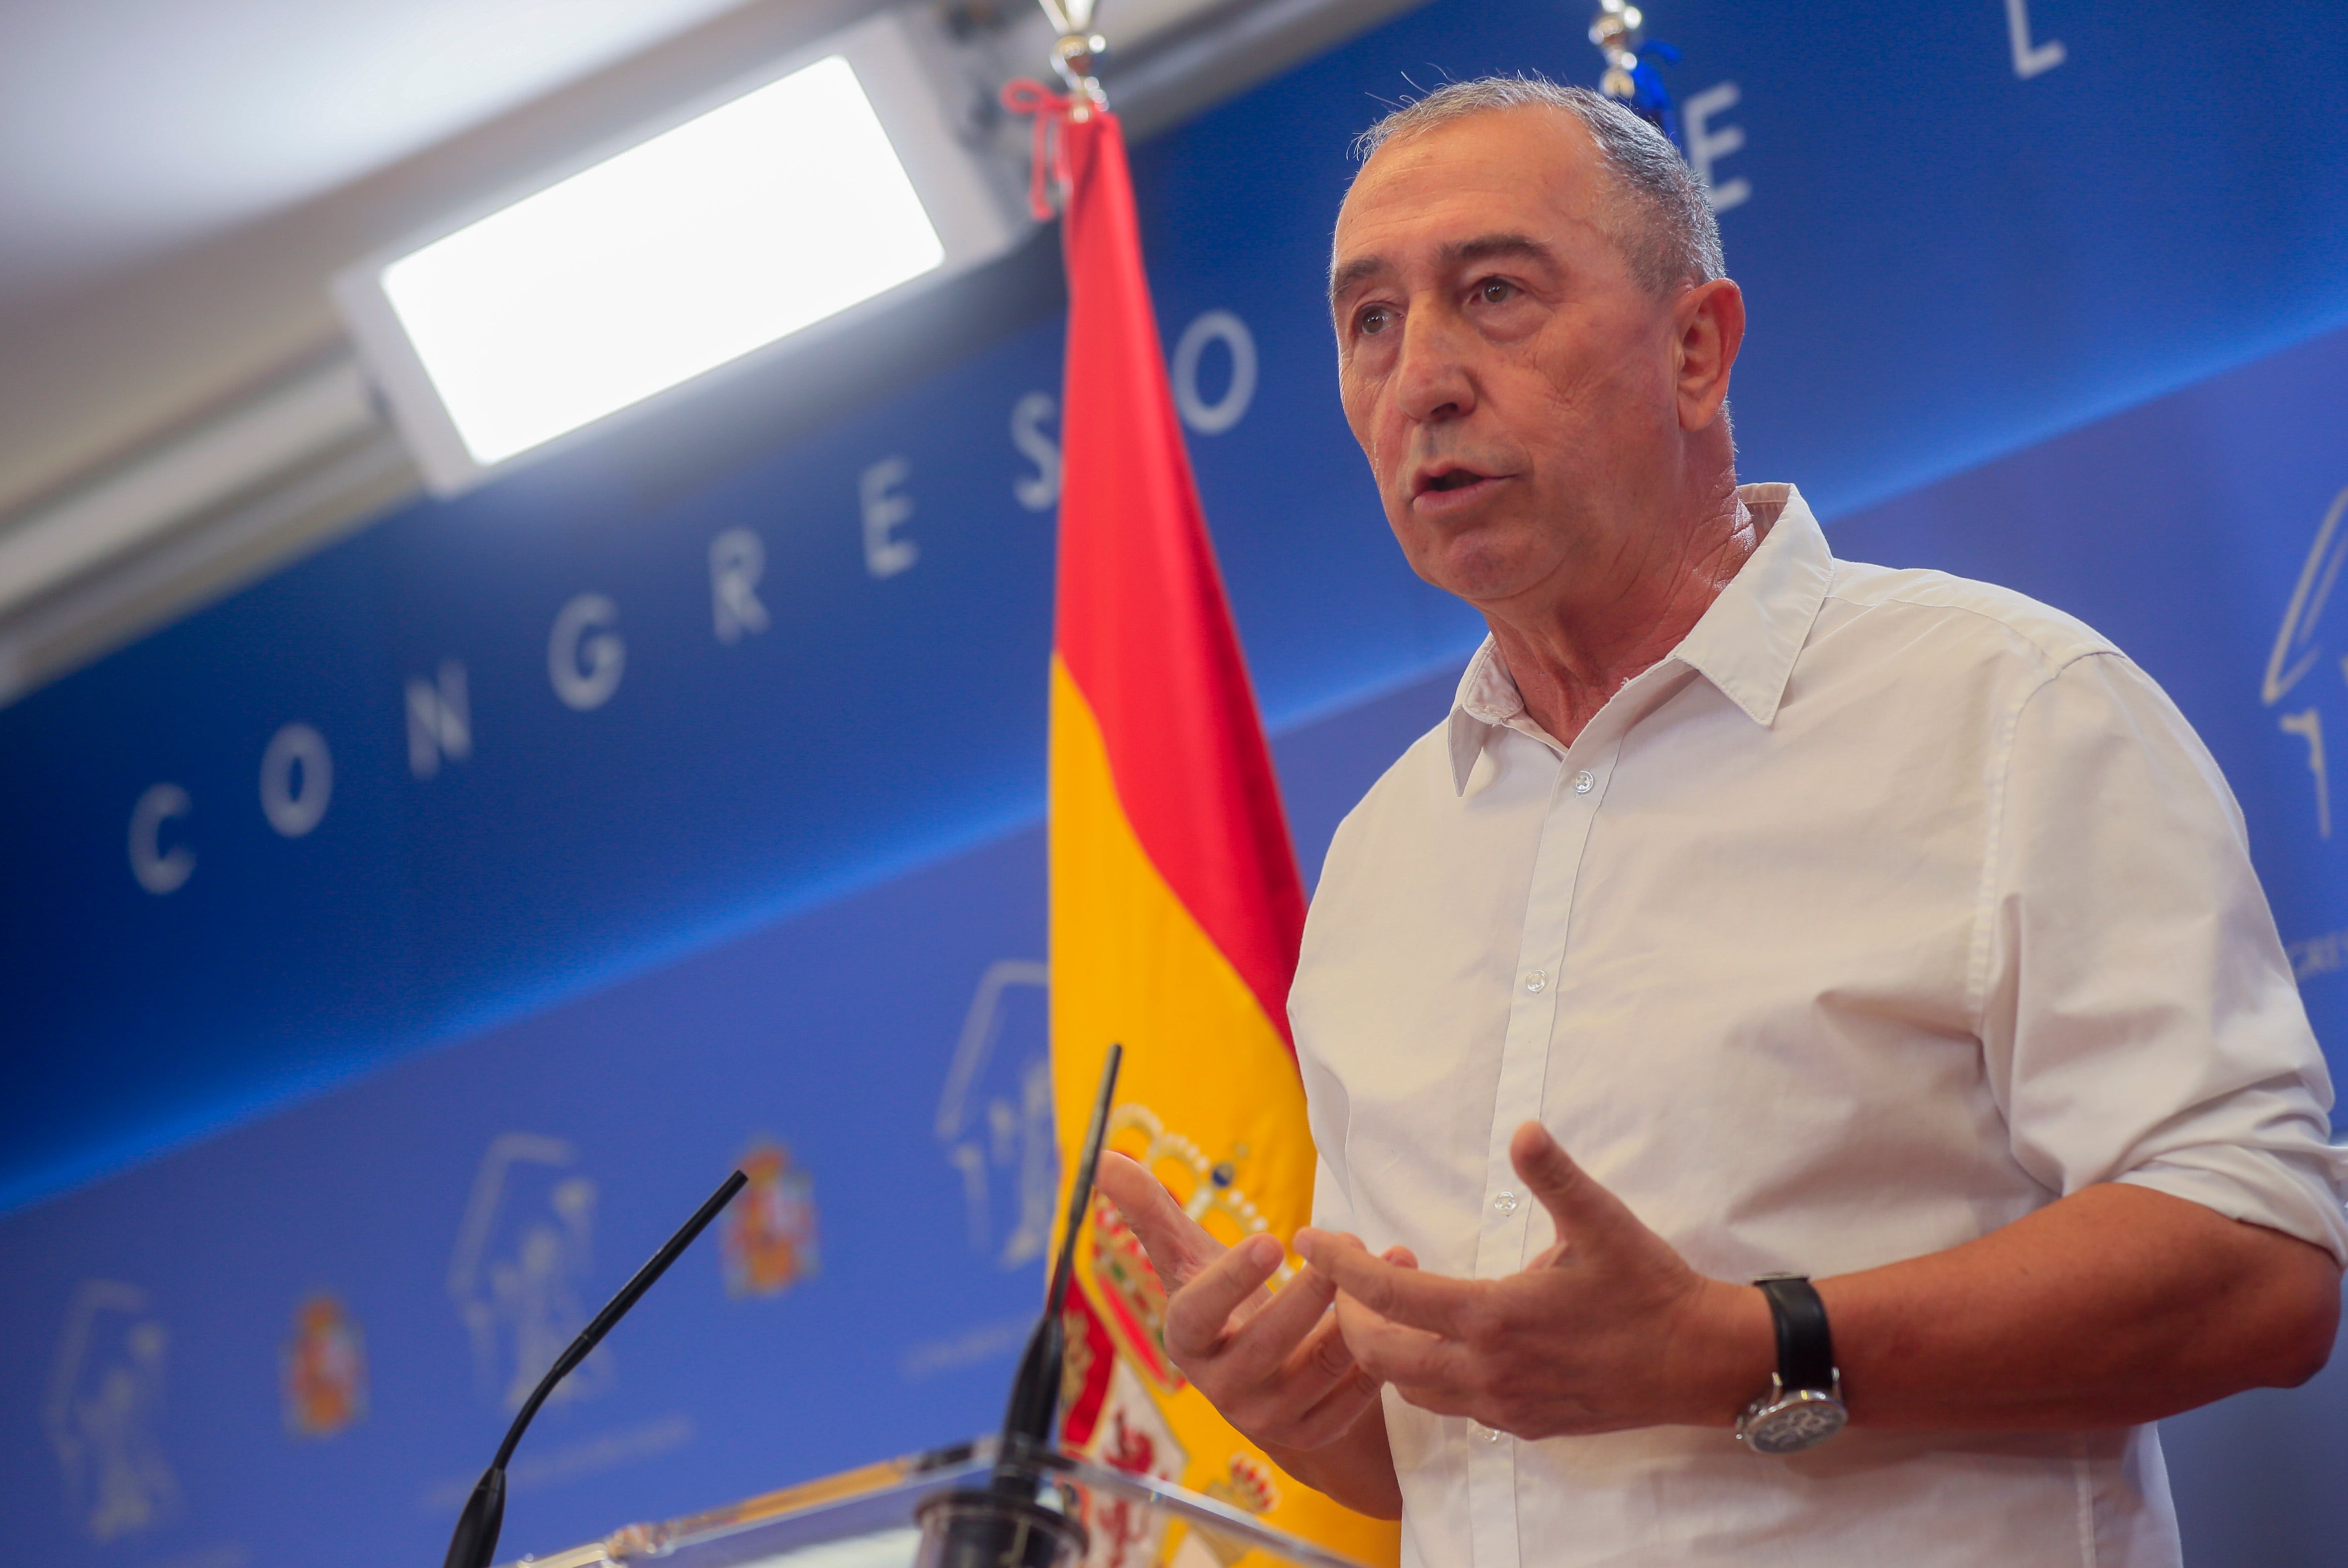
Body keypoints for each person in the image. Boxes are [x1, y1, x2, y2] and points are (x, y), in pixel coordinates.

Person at [1096, 76, 2347, 1567]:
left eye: (1492, 293)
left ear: (1697, 348)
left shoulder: (2009, 708)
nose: (1420, 377)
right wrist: (1316, 1415)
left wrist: (1742, 1345)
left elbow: (2262, 1263)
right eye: (1371, 322)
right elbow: (1489, 1446)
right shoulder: (1380, 865)